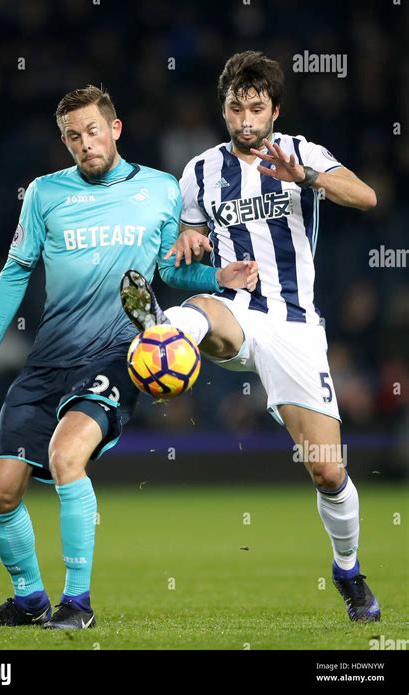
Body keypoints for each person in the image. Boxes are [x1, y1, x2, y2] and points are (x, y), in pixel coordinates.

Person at [0, 85, 258, 630]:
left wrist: (218, 276)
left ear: (115, 129)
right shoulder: (45, 195)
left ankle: (78, 605)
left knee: (65, 457)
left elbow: (170, 272)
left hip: (119, 355)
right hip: (49, 358)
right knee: (0, 492)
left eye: (92, 131)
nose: (84, 144)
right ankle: (29, 602)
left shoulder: (160, 190)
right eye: (72, 136)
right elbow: (16, 270)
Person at [120, 51, 381, 623]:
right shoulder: (200, 172)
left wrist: (305, 178)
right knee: (198, 308)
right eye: (235, 107)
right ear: (224, 108)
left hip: (293, 325)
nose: (244, 119)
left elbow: (366, 197)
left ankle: (349, 572)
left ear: (274, 110)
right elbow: (182, 257)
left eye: (255, 108)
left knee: (328, 470)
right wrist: (192, 249)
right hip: (235, 309)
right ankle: (164, 334)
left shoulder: (301, 151)